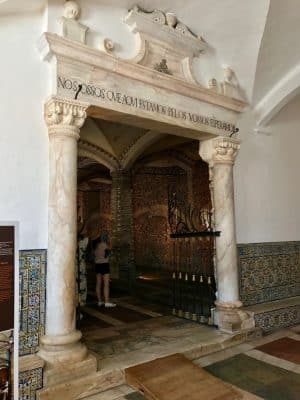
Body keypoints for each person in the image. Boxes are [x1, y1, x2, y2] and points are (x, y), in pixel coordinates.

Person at [94, 233, 116, 308]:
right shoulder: (106, 245)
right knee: (106, 284)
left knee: (98, 283)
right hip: (104, 265)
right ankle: (106, 302)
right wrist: (111, 243)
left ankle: (99, 301)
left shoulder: (96, 246)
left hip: (97, 265)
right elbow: (109, 253)